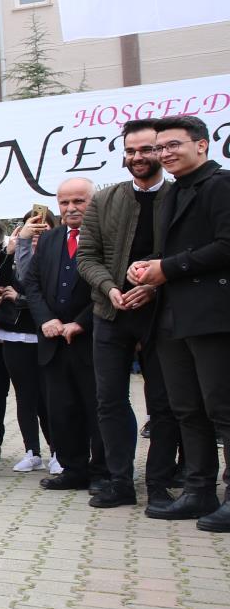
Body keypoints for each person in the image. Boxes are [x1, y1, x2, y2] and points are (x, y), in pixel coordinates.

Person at [127, 115, 230, 527]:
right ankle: (198, 492)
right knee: (187, 408)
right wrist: (148, 267)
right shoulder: (174, 192)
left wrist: (167, 268)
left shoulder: (220, 185)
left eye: (174, 145)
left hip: (213, 316)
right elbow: (171, 251)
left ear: (201, 145)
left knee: (223, 408)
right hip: (172, 315)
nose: (165, 153)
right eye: (160, 147)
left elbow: (226, 245)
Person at [77, 119, 182, 511]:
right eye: (131, 150)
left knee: (164, 404)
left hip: (163, 315)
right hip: (111, 312)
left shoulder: (179, 197)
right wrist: (110, 288)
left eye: (147, 149)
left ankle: (159, 484)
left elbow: (188, 257)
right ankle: (120, 482)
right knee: (109, 401)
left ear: (162, 151)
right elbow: (87, 256)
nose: (138, 157)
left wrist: (153, 286)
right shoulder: (105, 200)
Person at [21, 178, 105, 494]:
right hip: (53, 341)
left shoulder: (105, 236)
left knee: (97, 409)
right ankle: (73, 469)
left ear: (93, 202)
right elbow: (32, 284)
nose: (71, 208)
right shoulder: (51, 238)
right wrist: (46, 319)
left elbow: (109, 283)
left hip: (92, 340)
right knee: (62, 409)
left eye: (79, 201)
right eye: (64, 202)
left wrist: (81, 322)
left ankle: (104, 471)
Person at [0, 212, 46, 474]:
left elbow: (25, 286)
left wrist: (12, 295)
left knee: (33, 392)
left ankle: (52, 448)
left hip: (23, 330)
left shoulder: (12, 248)